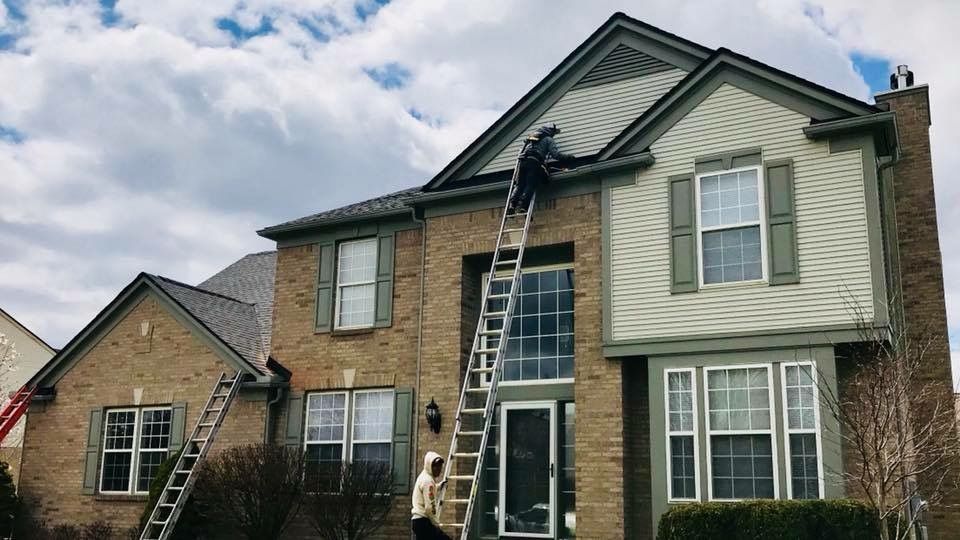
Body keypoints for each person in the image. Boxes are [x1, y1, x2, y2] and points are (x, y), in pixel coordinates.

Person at [507, 123, 576, 214]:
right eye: (553, 132)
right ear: (550, 131)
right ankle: (523, 206)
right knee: (530, 184)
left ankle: (512, 205)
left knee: (520, 185)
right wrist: (568, 157)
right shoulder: (548, 139)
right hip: (534, 163)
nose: (553, 134)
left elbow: (523, 150)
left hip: (523, 163)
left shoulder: (531, 137)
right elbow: (555, 155)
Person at [412, 451, 452, 540]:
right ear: (429, 465)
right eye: (435, 466)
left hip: (417, 521)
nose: (438, 469)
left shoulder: (424, 477)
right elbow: (430, 507)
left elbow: (428, 491)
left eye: (440, 466)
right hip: (423, 522)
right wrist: (436, 522)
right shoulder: (428, 481)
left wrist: (438, 486)